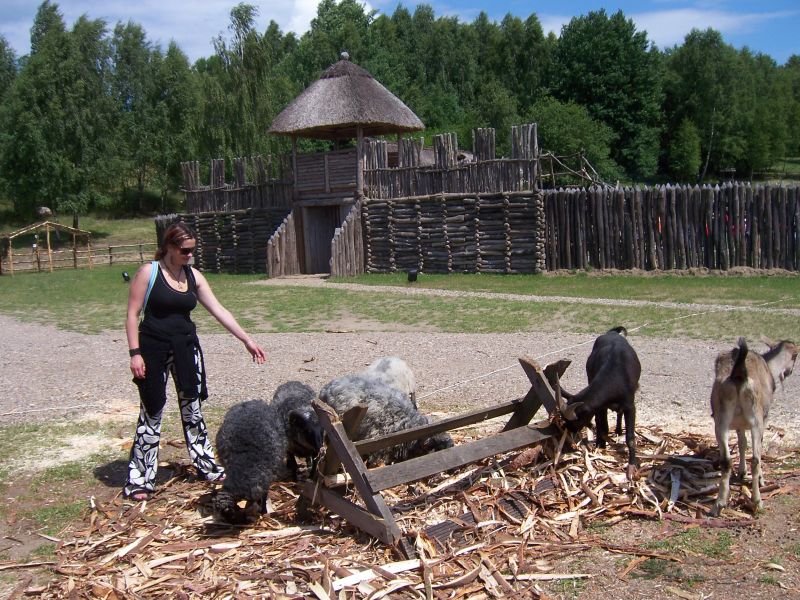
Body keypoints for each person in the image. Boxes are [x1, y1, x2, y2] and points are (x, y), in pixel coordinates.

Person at [123, 222, 266, 500]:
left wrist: (246, 340)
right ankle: (140, 478)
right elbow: (132, 314)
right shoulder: (149, 273)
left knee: (193, 408)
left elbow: (218, 310)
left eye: (192, 250)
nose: (190, 255)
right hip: (153, 347)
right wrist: (135, 353)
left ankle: (206, 465)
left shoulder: (193, 275)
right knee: (152, 409)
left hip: (186, 348)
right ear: (169, 247)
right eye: (185, 250)